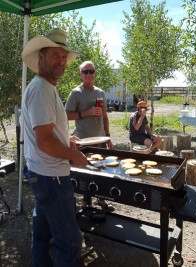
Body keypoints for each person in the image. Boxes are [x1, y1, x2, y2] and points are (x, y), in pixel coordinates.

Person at [21, 28, 88, 267]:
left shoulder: (44, 87)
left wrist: (67, 141)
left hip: (42, 174)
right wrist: (74, 155)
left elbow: (48, 133)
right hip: (52, 178)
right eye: (55, 55)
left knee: (42, 235)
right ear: (41, 57)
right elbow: (45, 141)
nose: (61, 61)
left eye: (64, 57)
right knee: (69, 241)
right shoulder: (41, 89)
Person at [65, 60, 114, 211]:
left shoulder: (100, 92)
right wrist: (87, 112)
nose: (88, 74)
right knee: (86, 171)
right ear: (81, 74)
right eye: (85, 71)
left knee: (102, 170)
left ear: (95, 73)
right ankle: (87, 202)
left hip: (100, 139)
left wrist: (108, 136)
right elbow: (66, 115)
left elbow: (105, 116)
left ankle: (102, 199)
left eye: (91, 71)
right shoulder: (76, 93)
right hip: (83, 140)